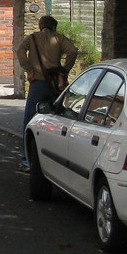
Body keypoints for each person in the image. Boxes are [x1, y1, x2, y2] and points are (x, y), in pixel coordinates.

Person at [16, 15, 78, 169]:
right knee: (55, 121)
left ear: (40, 26)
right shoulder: (59, 38)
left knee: (29, 121)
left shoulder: (32, 38)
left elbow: (20, 51)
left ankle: (26, 161)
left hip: (38, 83)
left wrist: (29, 69)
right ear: (54, 27)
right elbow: (73, 51)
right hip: (55, 86)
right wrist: (64, 71)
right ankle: (52, 160)